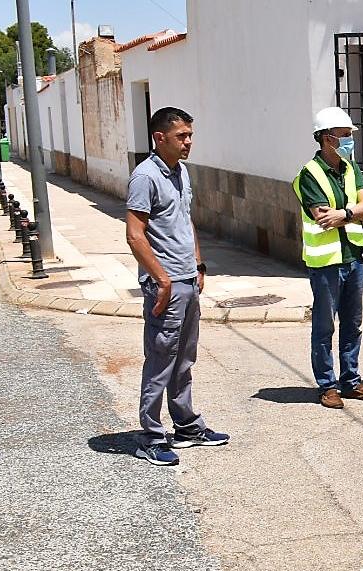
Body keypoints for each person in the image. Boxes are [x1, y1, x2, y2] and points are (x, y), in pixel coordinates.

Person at [126, 107, 229, 465]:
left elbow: (186, 222)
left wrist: (197, 265)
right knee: (160, 359)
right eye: (181, 136)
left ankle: (186, 425)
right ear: (160, 138)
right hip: (165, 286)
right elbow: (135, 235)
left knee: (184, 358)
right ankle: (150, 436)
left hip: (186, 280)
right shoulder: (144, 177)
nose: (188, 142)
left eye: (190, 135)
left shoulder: (181, 172)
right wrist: (162, 279)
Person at [294, 106, 363, 409]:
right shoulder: (309, 175)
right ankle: (327, 385)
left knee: (353, 323)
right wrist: (355, 213)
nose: (349, 141)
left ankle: (351, 381)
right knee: (324, 325)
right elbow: (321, 217)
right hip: (326, 261)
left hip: (353, 255)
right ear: (326, 138)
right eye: (345, 136)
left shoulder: (351, 168)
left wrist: (344, 213)